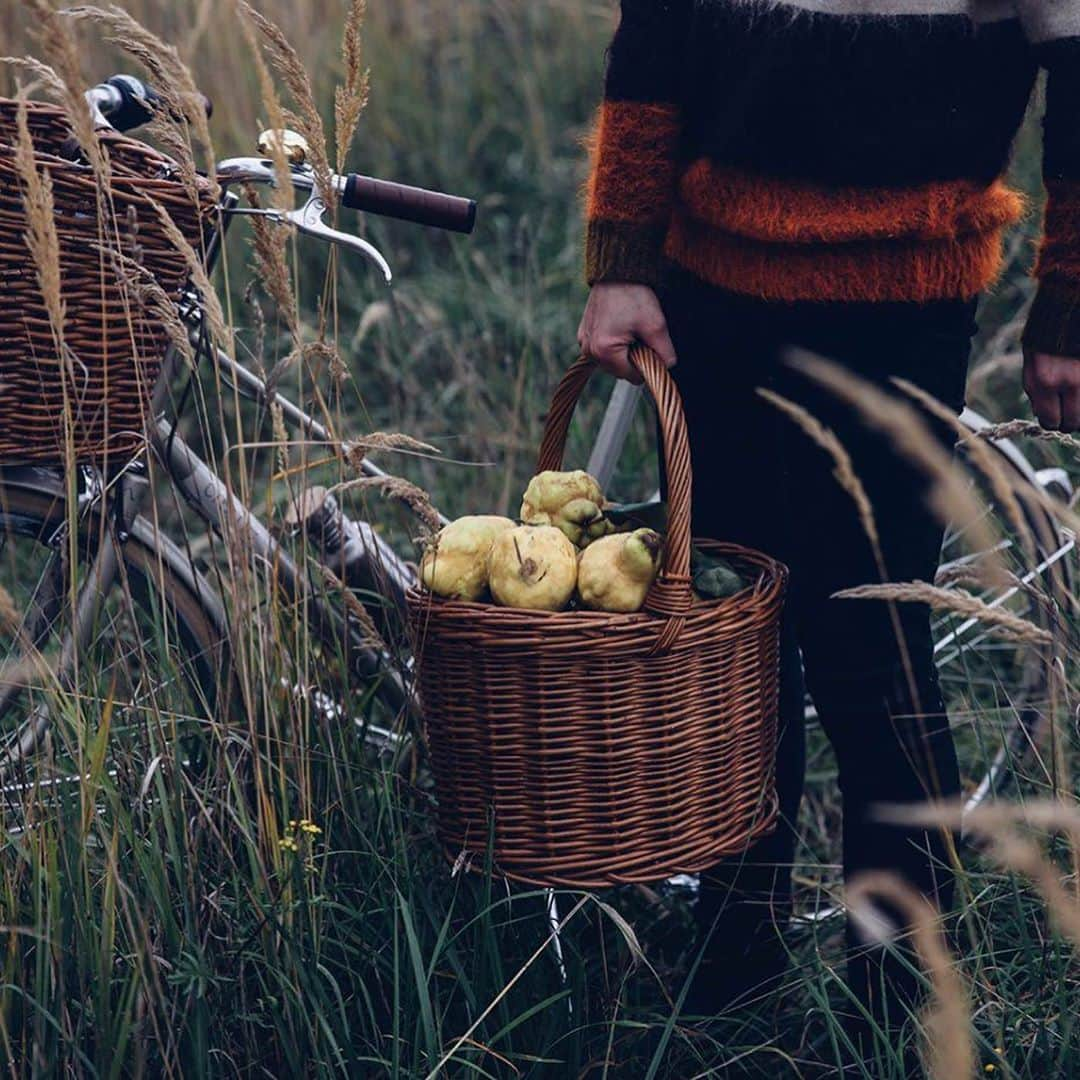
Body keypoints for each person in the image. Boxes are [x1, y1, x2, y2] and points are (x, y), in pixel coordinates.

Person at [576, 0, 1080, 1067]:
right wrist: (622, 257)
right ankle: (733, 959)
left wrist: (1070, 299)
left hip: (901, 307)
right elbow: (655, 35)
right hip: (709, 295)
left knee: (874, 654)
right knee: (736, 647)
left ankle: (895, 1003)